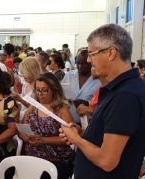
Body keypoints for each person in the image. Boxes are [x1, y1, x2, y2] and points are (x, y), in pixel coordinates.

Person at [60, 24, 145, 179]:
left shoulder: (125, 96)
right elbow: (107, 135)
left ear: (111, 53)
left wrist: (76, 140)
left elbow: (107, 161)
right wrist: (83, 134)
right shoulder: (117, 89)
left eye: (92, 53)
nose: (88, 59)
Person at [18, 72, 74, 179]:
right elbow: (21, 130)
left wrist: (43, 140)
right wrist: (27, 138)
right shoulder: (33, 107)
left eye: (45, 90)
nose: (40, 94)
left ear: (54, 90)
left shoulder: (61, 110)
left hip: (56, 159)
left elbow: (70, 137)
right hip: (32, 156)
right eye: (37, 90)